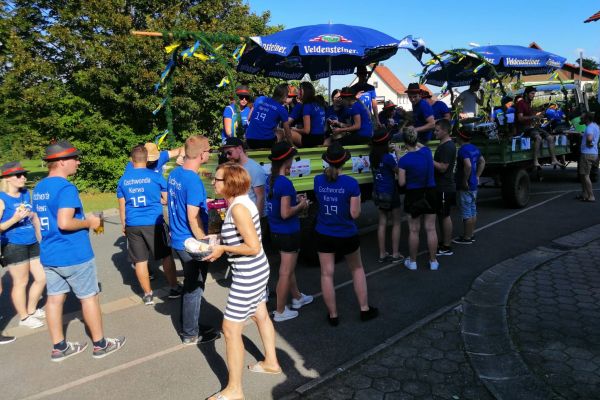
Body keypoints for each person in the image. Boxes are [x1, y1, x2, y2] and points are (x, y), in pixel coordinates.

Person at [32, 140, 125, 361]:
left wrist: (46, 243)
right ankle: (100, 345)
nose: (78, 162)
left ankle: (59, 347)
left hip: (50, 254)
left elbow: (36, 221)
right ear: (61, 161)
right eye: (74, 158)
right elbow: (64, 222)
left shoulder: (39, 187)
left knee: (54, 300)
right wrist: (89, 222)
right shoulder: (66, 188)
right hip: (74, 254)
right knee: (89, 298)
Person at [204, 163, 281, 400]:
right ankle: (271, 362)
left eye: (217, 179)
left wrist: (222, 248)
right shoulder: (239, 203)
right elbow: (243, 236)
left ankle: (235, 390)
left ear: (230, 183)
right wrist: (219, 239)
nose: (213, 182)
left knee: (230, 329)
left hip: (248, 274)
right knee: (260, 315)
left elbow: (253, 246)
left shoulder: (238, 208)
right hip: (256, 271)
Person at [315, 143, 378, 326]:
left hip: (324, 233)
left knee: (326, 274)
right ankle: (364, 309)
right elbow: (354, 214)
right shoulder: (351, 183)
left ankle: (333, 315)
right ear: (344, 162)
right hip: (346, 234)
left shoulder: (318, 180)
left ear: (327, 161)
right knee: (357, 269)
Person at [167, 135, 220, 345]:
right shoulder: (193, 180)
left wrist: (203, 202)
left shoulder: (175, 173)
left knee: (190, 284)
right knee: (195, 288)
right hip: (190, 242)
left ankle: (190, 324)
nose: (210, 154)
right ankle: (190, 333)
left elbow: (179, 201)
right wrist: (205, 244)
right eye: (209, 150)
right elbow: (192, 216)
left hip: (178, 238)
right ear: (201, 154)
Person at [117, 145, 181, 305]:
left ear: (132, 160)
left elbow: (122, 207)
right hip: (154, 222)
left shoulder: (123, 180)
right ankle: (174, 287)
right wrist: (157, 200)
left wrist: (124, 225)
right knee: (166, 256)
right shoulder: (155, 176)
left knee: (140, 261)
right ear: (147, 159)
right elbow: (167, 199)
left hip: (133, 224)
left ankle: (147, 295)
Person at [265, 142, 312, 322]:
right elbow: (285, 213)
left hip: (276, 232)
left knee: (288, 268)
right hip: (288, 233)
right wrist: (302, 204)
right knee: (285, 272)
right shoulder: (284, 183)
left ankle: (297, 297)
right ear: (287, 160)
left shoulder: (271, 179)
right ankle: (280, 311)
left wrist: (295, 199)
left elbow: (279, 204)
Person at [0, 162, 46, 329]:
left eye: (24, 174)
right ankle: (24, 317)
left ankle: (32, 310)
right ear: (7, 178)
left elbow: (33, 217)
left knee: (41, 277)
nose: (23, 178)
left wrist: (41, 237)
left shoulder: (26, 193)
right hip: (13, 244)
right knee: (21, 282)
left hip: (31, 241)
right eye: (19, 175)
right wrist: (15, 219)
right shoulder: (2, 199)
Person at [398, 127, 439, 271]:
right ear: (416, 140)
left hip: (414, 194)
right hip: (430, 192)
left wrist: (398, 154)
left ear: (404, 142)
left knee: (414, 230)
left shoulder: (404, 160)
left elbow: (401, 183)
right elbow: (420, 146)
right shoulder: (426, 152)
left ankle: (413, 262)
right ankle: (433, 261)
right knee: (431, 228)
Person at [369, 129, 403, 263]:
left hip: (378, 191)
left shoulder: (372, 156)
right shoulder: (388, 157)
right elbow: (399, 171)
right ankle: (395, 254)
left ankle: (382, 254)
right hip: (390, 192)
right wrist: (398, 153)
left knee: (382, 223)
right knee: (396, 222)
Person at [516, 86, 564, 168]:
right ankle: (535, 161)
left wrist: (538, 115)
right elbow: (520, 118)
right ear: (526, 94)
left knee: (550, 138)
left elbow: (531, 117)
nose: (533, 95)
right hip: (524, 128)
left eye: (534, 94)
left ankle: (554, 160)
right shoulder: (521, 103)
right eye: (532, 93)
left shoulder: (529, 103)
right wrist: (534, 117)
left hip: (531, 127)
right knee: (538, 138)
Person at [453, 129, 486, 244]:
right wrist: (477, 176)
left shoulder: (463, 150)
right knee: (472, 209)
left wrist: (464, 181)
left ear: (460, 138)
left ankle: (467, 238)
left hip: (466, 186)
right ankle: (471, 234)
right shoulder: (474, 148)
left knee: (467, 212)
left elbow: (468, 166)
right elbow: (482, 161)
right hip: (473, 184)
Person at [221, 137, 266, 217]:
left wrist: (256, 220)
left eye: (229, 152)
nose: (227, 156)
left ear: (239, 148)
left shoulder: (254, 168)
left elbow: (261, 197)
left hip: (252, 217)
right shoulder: (234, 168)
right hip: (240, 216)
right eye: (225, 154)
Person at [432, 120, 457, 256]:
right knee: (442, 215)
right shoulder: (444, 144)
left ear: (446, 131)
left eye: (437, 130)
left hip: (444, 187)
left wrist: (429, 159)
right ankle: (444, 243)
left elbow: (443, 167)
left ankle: (447, 246)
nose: (434, 132)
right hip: (441, 186)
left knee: (445, 216)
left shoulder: (447, 147)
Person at [245, 83, 291, 149]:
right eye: (287, 96)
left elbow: (249, 118)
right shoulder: (281, 109)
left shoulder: (260, 99)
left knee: (275, 130)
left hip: (250, 140)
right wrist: (292, 145)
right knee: (281, 132)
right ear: (284, 96)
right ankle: (277, 150)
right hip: (266, 142)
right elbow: (288, 133)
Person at [290, 82, 327, 147]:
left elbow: (306, 131)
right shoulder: (319, 104)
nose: (297, 91)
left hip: (312, 140)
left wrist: (294, 129)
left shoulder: (307, 106)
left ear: (304, 92)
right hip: (321, 138)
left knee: (286, 132)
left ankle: (293, 150)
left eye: (300, 89)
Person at [577, 112, 599, 202]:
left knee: (586, 175)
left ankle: (591, 196)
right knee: (583, 175)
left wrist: (589, 143)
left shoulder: (589, 127)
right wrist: (583, 135)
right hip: (594, 153)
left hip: (587, 154)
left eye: (582, 118)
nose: (580, 120)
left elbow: (590, 138)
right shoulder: (595, 126)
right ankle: (585, 194)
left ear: (587, 119)